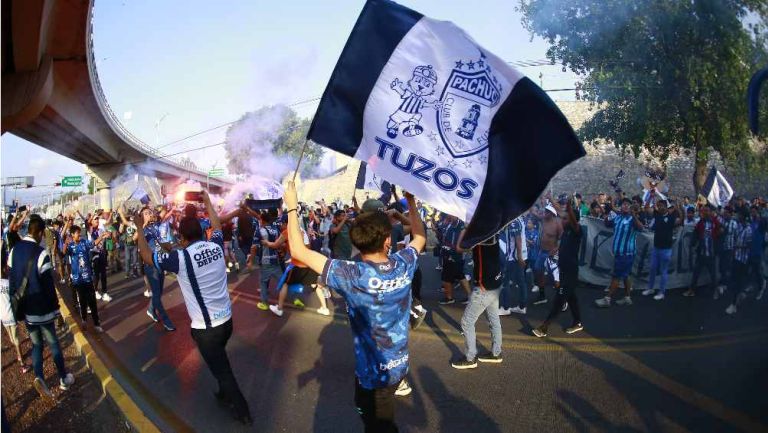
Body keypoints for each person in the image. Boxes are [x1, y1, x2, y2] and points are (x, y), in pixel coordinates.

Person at [283, 181, 425, 433]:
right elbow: (420, 237)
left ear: (357, 244)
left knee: (378, 425)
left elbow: (297, 250)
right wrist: (410, 203)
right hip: (399, 365)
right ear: (387, 243)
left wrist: (292, 207)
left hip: (372, 379)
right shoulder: (404, 262)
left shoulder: (350, 274)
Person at [135, 190, 252, 425]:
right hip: (227, 322)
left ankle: (243, 412)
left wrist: (139, 228)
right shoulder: (216, 246)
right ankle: (222, 392)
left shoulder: (181, 259)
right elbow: (217, 224)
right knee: (219, 362)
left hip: (207, 330)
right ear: (202, 232)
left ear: (182, 237)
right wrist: (207, 201)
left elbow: (147, 257)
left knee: (223, 370)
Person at [8, 215, 75, 398]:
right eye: (42, 234)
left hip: (27, 310)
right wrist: (56, 310)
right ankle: (63, 379)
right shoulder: (41, 253)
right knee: (53, 343)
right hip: (43, 309)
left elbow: (12, 280)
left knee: (36, 344)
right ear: (38, 232)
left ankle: (39, 377)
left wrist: (16, 308)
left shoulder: (14, 250)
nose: (42, 238)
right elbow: (48, 286)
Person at [451, 232, 504, 369]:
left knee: (467, 322)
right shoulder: (494, 230)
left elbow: (459, 247)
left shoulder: (481, 235)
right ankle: (496, 353)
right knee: (494, 320)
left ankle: (470, 358)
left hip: (483, 288)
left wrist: (466, 228)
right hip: (494, 284)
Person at [533, 197, 584, 336]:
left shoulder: (576, 231)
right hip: (564, 269)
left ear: (573, 220)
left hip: (570, 272)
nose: (563, 220)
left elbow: (571, 219)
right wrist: (550, 199)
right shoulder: (567, 231)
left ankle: (544, 328)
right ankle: (578, 322)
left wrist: (568, 206)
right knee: (571, 298)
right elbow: (561, 214)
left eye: (566, 218)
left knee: (559, 300)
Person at [267, 213, 331, 317]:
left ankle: (279, 308)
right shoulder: (302, 230)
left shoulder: (287, 231)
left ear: (285, 223)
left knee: (285, 284)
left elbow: (275, 244)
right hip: (309, 262)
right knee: (316, 285)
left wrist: (265, 242)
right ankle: (324, 308)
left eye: (281, 224)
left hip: (299, 264)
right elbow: (308, 246)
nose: (280, 226)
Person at [595, 198, 645, 307]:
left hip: (626, 253)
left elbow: (641, 228)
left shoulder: (632, 219)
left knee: (616, 276)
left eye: (628, 204)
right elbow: (607, 224)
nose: (625, 206)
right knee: (626, 275)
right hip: (618, 253)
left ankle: (607, 299)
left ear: (631, 207)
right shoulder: (617, 218)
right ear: (620, 206)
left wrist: (634, 215)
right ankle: (627, 298)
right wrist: (608, 214)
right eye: (623, 204)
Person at [62, 220, 109, 331]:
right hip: (77, 279)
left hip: (87, 277)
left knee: (92, 301)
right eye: (78, 233)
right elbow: (64, 252)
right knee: (82, 301)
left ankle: (97, 323)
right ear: (73, 234)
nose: (80, 234)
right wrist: (65, 243)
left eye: (80, 232)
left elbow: (93, 243)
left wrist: (102, 236)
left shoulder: (84, 242)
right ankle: (84, 320)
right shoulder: (70, 246)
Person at [138, 207, 176, 331]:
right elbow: (134, 238)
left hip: (159, 261)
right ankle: (166, 320)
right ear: (142, 217)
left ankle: (150, 310)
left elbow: (158, 243)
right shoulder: (141, 229)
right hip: (150, 265)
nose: (149, 214)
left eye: (150, 212)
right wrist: (142, 224)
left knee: (158, 292)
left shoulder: (154, 227)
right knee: (157, 293)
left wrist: (167, 247)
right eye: (146, 213)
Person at [1, 244, 31, 374]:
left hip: (2, 315)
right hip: (11, 314)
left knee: (13, 339)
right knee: (17, 339)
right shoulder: (8, 283)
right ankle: (22, 362)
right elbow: (18, 295)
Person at [641, 200, 680, 301]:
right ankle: (650, 288)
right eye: (658, 206)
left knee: (663, 271)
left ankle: (662, 292)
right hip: (656, 247)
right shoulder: (657, 214)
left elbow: (681, 220)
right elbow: (646, 208)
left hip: (666, 249)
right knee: (652, 268)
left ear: (666, 206)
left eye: (662, 206)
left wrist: (680, 208)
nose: (660, 207)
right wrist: (650, 196)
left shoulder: (672, 217)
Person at [683, 205, 721, 297]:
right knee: (696, 273)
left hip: (711, 253)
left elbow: (720, 232)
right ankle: (692, 290)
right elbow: (696, 233)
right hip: (702, 253)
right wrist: (692, 244)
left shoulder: (715, 222)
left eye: (707, 211)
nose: (706, 212)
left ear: (710, 212)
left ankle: (715, 290)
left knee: (713, 274)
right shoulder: (701, 222)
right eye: (704, 211)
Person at [532, 203, 563, 305]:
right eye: (545, 211)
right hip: (542, 251)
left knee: (555, 278)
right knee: (538, 270)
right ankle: (542, 296)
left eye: (547, 212)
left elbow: (561, 239)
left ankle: (562, 300)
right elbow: (534, 213)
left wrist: (556, 248)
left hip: (552, 254)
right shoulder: (543, 219)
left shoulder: (558, 224)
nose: (545, 213)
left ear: (552, 213)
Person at [498, 215, 528, 315]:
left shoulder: (513, 220)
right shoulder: (520, 218)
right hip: (520, 255)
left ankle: (505, 308)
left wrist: (519, 256)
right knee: (521, 281)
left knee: (505, 282)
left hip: (513, 257)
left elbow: (518, 238)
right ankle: (522, 307)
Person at [254, 209, 283, 311]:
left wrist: (250, 260)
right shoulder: (275, 229)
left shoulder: (259, 230)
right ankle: (292, 298)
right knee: (282, 281)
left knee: (263, 282)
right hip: (275, 259)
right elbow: (281, 244)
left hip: (265, 261)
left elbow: (254, 246)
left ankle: (264, 303)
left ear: (262, 220)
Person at [438, 215, 471, 305]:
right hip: (447, 253)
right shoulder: (448, 224)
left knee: (446, 278)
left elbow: (460, 245)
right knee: (460, 276)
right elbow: (441, 232)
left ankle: (449, 298)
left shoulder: (461, 227)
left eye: (452, 215)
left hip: (455, 256)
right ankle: (470, 297)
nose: (450, 216)